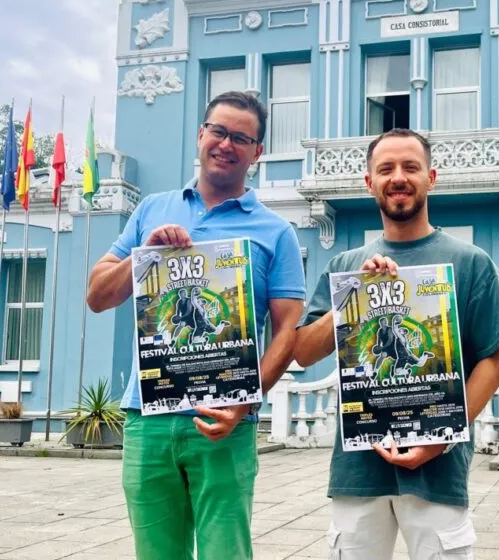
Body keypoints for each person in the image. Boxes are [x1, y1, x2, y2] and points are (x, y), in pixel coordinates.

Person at [86, 91, 306, 560]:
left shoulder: (276, 232)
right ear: (201, 135)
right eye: (219, 131)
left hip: (224, 422)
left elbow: (288, 331)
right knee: (155, 553)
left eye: (241, 138)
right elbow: (98, 295)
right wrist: (145, 256)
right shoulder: (151, 210)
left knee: (226, 552)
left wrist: (246, 403)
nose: (227, 144)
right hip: (148, 419)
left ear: (257, 152)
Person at [293, 128, 499, 560]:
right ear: (369, 183)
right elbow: (304, 351)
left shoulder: (472, 262)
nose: (398, 177)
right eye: (386, 169)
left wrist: (442, 437)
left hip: (438, 472)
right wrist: (355, 294)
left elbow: (491, 364)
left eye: (410, 167)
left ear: (431, 178)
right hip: (358, 472)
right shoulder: (345, 265)